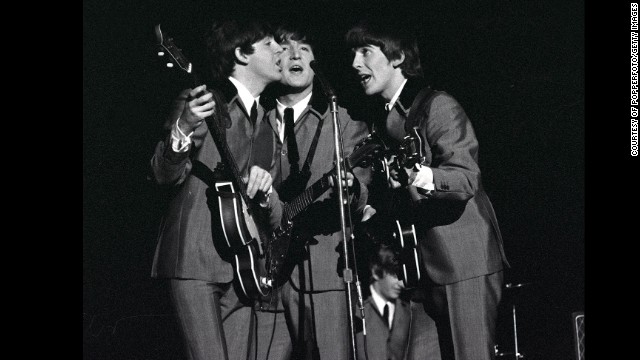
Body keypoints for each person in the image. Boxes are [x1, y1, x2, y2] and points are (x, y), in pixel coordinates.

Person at [346, 18, 510, 360]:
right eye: (353, 54)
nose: (355, 64)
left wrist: (419, 176)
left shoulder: (437, 106)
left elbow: (466, 179)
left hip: (463, 261)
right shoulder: (381, 120)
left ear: (397, 57)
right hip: (418, 269)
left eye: (365, 51)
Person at [149, 14, 285, 360]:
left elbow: (275, 215)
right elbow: (163, 175)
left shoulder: (269, 124)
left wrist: (268, 193)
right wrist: (183, 127)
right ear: (242, 54)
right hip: (194, 261)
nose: (282, 50)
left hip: (244, 265)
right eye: (270, 45)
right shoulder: (203, 101)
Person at [261, 22, 371, 360]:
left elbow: (359, 198)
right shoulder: (253, 122)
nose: (295, 54)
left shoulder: (345, 123)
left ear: (315, 62)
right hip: (259, 281)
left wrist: (350, 190)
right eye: (285, 46)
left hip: (322, 280)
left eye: (304, 48)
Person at [354, 243, 411, 360]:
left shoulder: (409, 311)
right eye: (395, 275)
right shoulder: (354, 311)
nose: (401, 283)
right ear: (376, 272)